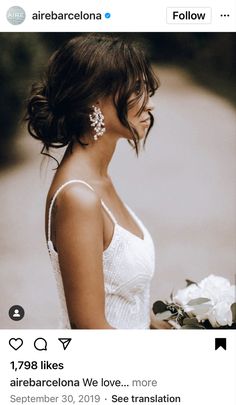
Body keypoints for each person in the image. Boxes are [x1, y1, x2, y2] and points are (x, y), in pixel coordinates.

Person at [26, 33, 160, 329]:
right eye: (136, 90)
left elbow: (121, 296)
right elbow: (91, 332)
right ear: (94, 100)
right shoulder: (78, 197)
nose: (148, 104)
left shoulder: (98, 178)